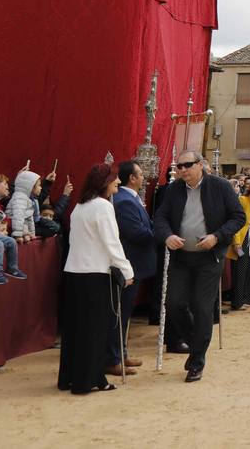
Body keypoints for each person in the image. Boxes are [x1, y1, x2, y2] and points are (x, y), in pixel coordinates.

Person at [152, 150, 245, 383]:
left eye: (186, 165)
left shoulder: (220, 187)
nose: (182, 170)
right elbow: (160, 218)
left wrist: (217, 236)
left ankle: (196, 362)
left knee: (202, 308)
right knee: (174, 303)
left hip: (209, 258)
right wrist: (167, 236)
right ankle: (197, 345)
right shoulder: (174, 190)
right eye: (179, 167)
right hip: (182, 258)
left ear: (200, 165)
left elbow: (238, 217)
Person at [59, 164, 134, 395]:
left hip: (74, 273)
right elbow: (112, 241)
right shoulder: (102, 206)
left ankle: (72, 377)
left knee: (76, 329)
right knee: (95, 329)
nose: (118, 183)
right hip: (94, 275)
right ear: (104, 182)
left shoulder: (79, 207)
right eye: (114, 179)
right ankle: (88, 380)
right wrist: (127, 270)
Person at [109, 161, 153, 376]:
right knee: (121, 312)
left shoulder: (130, 199)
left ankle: (122, 354)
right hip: (128, 263)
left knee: (126, 312)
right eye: (141, 174)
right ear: (132, 178)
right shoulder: (124, 201)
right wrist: (162, 235)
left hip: (134, 264)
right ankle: (114, 357)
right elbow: (136, 232)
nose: (144, 177)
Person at [228, 181, 250, 310]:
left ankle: (245, 299)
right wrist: (236, 242)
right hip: (241, 238)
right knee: (240, 271)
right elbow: (237, 222)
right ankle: (237, 302)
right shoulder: (243, 200)